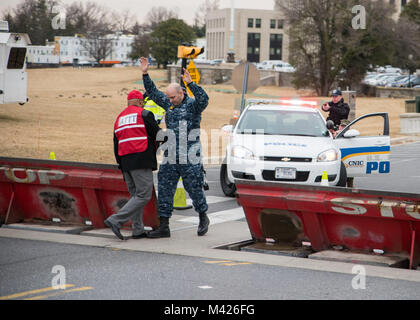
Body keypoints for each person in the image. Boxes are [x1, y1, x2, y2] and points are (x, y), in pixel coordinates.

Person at [139, 56, 210, 238]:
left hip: (190, 155)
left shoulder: (193, 106)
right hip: (171, 155)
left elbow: (204, 99)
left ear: (181, 94)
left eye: (173, 97)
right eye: (168, 97)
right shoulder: (169, 105)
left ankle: (203, 216)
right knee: (164, 188)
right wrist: (145, 73)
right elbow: (153, 93)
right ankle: (164, 226)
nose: (169, 100)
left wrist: (191, 84)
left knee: (194, 188)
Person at [104, 90, 161, 240]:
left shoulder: (119, 118)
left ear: (128, 102)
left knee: (136, 196)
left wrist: (121, 165)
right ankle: (116, 220)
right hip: (141, 159)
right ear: (141, 102)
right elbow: (158, 135)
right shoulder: (144, 114)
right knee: (143, 195)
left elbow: (116, 144)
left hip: (125, 162)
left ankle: (138, 230)